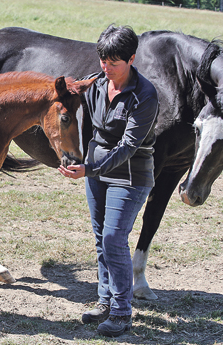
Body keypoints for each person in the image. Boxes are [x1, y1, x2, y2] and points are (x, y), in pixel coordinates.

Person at [58, 24, 159, 337]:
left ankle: (121, 311)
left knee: (115, 238)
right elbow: (72, 109)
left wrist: (89, 169)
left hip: (129, 175)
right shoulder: (98, 83)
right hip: (96, 169)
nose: (106, 68)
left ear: (131, 59)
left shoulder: (145, 95)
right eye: (103, 61)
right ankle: (104, 300)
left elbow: (128, 146)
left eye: (114, 63)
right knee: (102, 236)